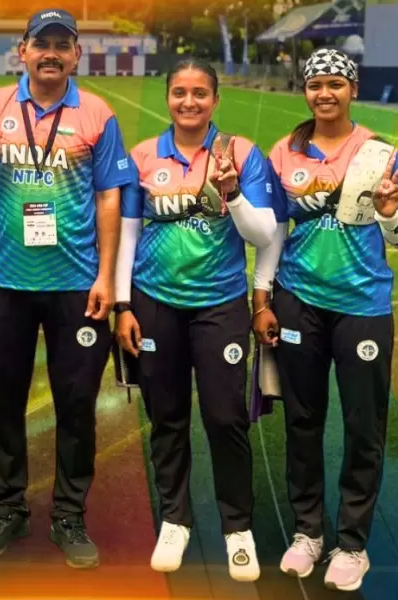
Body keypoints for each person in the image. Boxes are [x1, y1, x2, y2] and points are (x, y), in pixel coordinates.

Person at [0, 8, 133, 569]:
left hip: (76, 286)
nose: (51, 53)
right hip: (4, 283)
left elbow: (109, 196)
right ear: (23, 51)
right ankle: (8, 508)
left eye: (62, 44)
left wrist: (106, 277)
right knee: (4, 400)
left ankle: (69, 514)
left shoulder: (97, 113)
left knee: (76, 405)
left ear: (76, 54)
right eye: (41, 43)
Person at [252, 48, 398, 592]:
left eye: (335, 83)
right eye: (315, 84)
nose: (325, 93)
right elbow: (275, 231)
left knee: (363, 426)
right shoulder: (286, 151)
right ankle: (308, 533)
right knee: (302, 421)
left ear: (352, 89)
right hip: (299, 301)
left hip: (362, 307)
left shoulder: (379, 152)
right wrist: (262, 298)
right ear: (305, 90)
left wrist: (390, 216)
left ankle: (352, 543)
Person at [114, 58, 276, 581]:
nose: (189, 102)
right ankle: (175, 520)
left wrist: (233, 194)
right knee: (167, 417)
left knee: (226, 418)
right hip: (154, 303)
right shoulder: (143, 156)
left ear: (215, 99)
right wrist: (123, 305)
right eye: (180, 92)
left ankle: (237, 527)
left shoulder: (241, 153)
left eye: (200, 93)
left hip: (219, 305)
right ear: (168, 98)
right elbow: (129, 234)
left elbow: (263, 234)